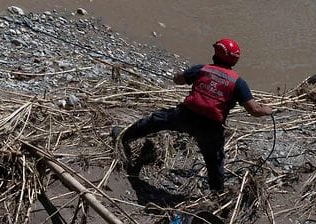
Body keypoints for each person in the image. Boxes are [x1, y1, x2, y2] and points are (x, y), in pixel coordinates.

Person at [113, 39, 274, 192]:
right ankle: (217, 195)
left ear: (216, 55)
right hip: (210, 129)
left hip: (184, 116)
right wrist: (268, 109)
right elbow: (254, 110)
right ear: (234, 61)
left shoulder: (202, 69)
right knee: (214, 161)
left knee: (154, 121)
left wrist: (176, 75)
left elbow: (179, 80)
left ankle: (124, 135)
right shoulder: (239, 83)